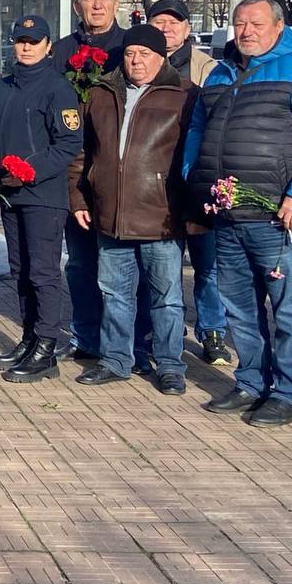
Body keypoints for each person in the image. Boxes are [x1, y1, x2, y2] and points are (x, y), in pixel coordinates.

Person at [184, 0, 292, 427]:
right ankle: (251, 383)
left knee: (288, 310)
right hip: (228, 216)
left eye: (256, 23)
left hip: (279, 217)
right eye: (240, 23)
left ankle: (288, 394)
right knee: (240, 308)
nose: (246, 31)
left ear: (278, 27)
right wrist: (194, 177)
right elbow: (198, 131)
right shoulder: (219, 73)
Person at [68, 25, 196, 395]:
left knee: (167, 299)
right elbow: (83, 152)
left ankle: (170, 366)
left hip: (160, 217)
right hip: (111, 214)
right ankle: (115, 360)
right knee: (114, 294)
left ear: (162, 57)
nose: (135, 61)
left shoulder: (184, 95)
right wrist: (79, 198)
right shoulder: (102, 92)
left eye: (144, 54)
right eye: (129, 53)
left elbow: (195, 155)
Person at [0, 15, 83, 383]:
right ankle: (29, 338)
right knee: (21, 270)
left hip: (42, 194)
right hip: (9, 194)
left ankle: (46, 346)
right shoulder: (2, 87)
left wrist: (30, 170)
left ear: (48, 46)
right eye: (21, 40)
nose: (26, 47)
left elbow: (69, 142)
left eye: (34, 41)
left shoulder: (58, 88)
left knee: (43, 273)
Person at [148, 0, 229, 366]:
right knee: (161, 268)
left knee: (207, 264)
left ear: (187, 29)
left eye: (174, 22)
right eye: (159, 22)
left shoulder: (209, 69)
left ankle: (212, 331)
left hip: (197, 182)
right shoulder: (138, 64)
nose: (166, 29)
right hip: (155, 184)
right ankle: (167, 330)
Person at [52, 0, 126, 362]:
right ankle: (85, 337)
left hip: (119, 172)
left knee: (120, 268)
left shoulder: (129, 47)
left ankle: (123, 343)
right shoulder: (62, 51)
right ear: (76, 6)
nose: (97, 4)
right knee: (80, 264)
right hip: (75, 170)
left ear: (116, 4)